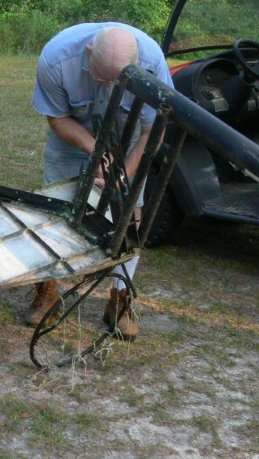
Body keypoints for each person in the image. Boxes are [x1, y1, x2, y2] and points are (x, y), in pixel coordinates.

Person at [27, 22, 174, 340]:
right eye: (101, 77)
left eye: (116, 80)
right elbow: (57, 117)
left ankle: (120, 299)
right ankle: (48, 289)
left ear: (136, 65)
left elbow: (152, 131)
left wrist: (123, 174)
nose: (107, 86)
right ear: (89, 52)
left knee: (129, 213)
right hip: (73, 135)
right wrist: (97, 154)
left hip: (127, 137)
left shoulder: (152, 63)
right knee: (55, 207)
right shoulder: (56, 58)